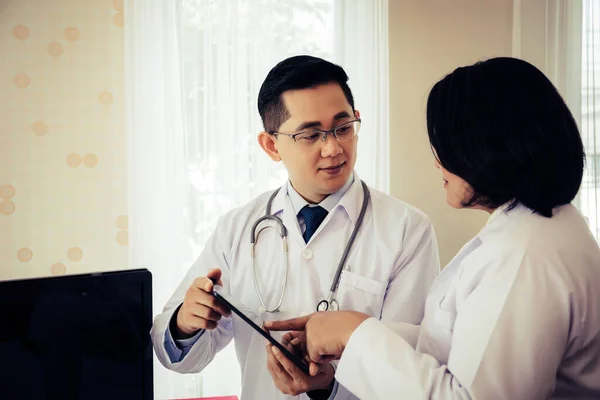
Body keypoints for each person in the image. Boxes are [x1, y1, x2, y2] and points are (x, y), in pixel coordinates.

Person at [265, 57, 600, 399]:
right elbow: (449, 344)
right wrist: (347, 337)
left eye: (445, 145)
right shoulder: (534, 230)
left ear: (487, 148)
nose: (437, 161)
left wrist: (355, 335)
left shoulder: (526, 255)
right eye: (310, 134)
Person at [151, 55, 440, 400]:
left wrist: (329, 385)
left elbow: (409, 370)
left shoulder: (408, 231)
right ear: (272, 145)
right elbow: (180, 358)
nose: (333, 148)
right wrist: (186, 322)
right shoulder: (237, 230)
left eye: (343, 128)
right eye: (310, 134)